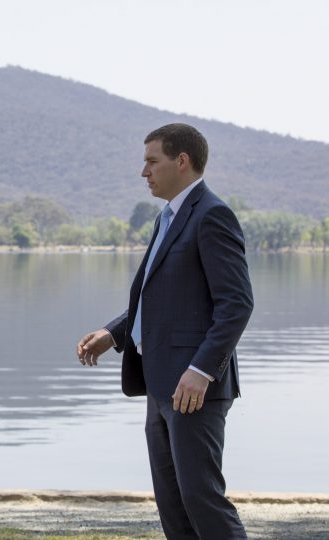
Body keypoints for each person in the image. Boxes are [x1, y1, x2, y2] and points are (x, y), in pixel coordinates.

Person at [76, 123, 253, 539]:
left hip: (194, 388)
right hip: (160, 385)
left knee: (201, 500)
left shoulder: (212, 215)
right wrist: (114, 333)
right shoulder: (168, 217)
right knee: (174, 507)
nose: (144, 172)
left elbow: (236, 304)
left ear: (182, 161)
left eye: (152, 161)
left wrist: (203, 370)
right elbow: (162, 298)